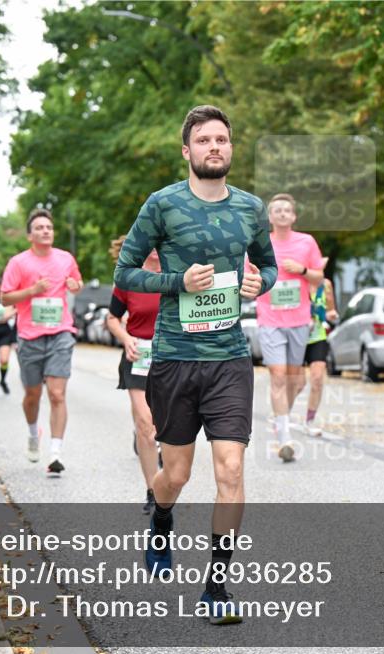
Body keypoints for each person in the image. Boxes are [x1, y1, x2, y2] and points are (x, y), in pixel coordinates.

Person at [114, 105, 277, 624]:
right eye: (204, 140)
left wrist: (260, 283)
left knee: (231, 468)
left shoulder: (251, 208)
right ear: (187, 150)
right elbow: (125, 273)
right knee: (177, 474)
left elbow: (269, 265)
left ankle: (216, 586)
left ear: (231, 148)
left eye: (222, 139)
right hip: (176, 359)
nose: (214, 147)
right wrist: (177, 283)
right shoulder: (162, 205)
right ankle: (161, 518)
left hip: (229, 359)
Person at [1, 208, 83, 475]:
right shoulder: (18, 263)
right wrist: (32, 291)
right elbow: (5, 298)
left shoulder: (65, 258)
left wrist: (75, 286)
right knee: (32, 395)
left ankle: (55, 453)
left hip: (61, 332)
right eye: (39, 228)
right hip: (29, 335)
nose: (45, 231)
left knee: (57, 394)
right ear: (30, 235)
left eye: (49, 227)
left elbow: (77, 282)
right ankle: (32, 433)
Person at [253, 194, 324, 461]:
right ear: (270, 217)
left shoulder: (307, 242)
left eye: (287, 210)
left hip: (299, 320)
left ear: (293, 216)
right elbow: (248, 274)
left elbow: (319, 277)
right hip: (270, 320)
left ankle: (280, 417)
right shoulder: (260, 244)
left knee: (296, 379)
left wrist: (302, 270)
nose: (282, 213)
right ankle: (284, 437)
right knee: (278, 376)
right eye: (277, 210)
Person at [105, 236, 162, 515]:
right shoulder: (128, 279)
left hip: (173, 357)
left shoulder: (180, 273)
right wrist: (126, 338)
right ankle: (153, 491)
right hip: (138, 355)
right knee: (146, 425)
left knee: (165, 425)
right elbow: (112, 318)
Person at [301, 263, 339, 437]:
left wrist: (331, 315)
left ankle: (309, 421)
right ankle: (282, 416)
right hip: (297, 336)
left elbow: (331, 311)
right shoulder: (297, 280)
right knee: (297, 383)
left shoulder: (326, 284)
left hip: (317, 336)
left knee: (317, 378)